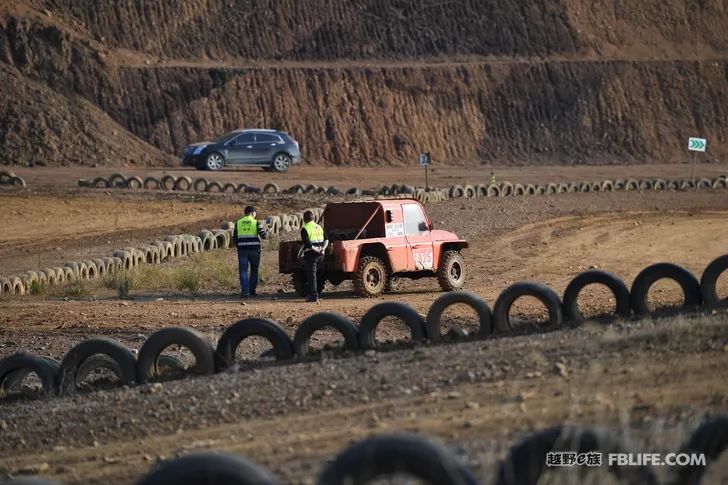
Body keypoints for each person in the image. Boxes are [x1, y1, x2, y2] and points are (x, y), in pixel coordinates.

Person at [233, 206, 268, 298]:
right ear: (253, 213)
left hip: (242, 251)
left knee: (243, 271)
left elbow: (234, 237)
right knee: (254, 270)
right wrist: (268, 229)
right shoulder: (256, 222)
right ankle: (252, 291)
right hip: (254, 250)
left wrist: (239, 246)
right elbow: (264, 236)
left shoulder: (238, 223)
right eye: (255, 213)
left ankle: (245, 292)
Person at [300, 210, 326, 302]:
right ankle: (315, 293)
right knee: (315, 274)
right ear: (313, 218)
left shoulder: (305, 229)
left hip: (311, 255)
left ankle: (314, 295)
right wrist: (322, 249)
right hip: (321, 255)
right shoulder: (319, 227)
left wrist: (316, 250)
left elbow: (308, 244)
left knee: (311, 275)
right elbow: (326, 239)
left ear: (304, 219)